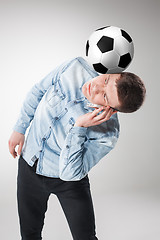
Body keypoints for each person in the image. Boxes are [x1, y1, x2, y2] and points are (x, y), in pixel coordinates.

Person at [8, 57, 146, 240]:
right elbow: (38, 90)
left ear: (111, 110)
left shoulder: (107, 134)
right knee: (29, 234)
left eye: (104, 96)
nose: (95, 87)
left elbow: (69, 174)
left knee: (85, 237)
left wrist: (79, 127)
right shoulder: (74, 67)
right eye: (105, 80)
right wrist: (19, 129)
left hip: (68, 179)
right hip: (29, 164)